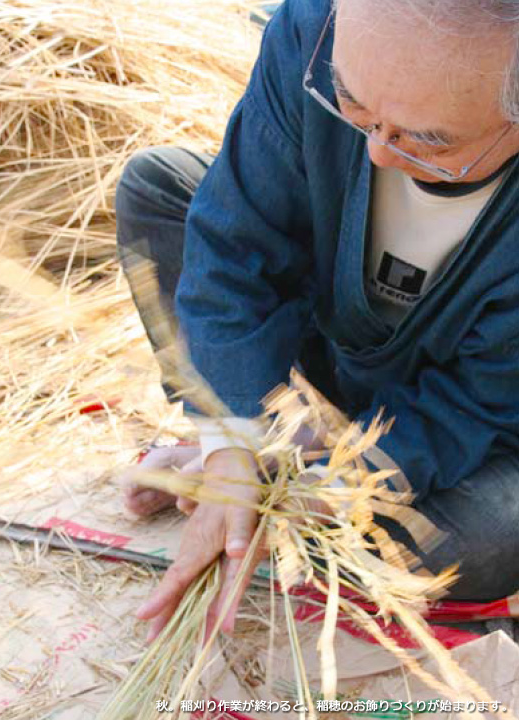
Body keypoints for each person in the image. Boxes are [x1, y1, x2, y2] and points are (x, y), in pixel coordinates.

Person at [116, 0, 519, 642]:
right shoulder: (313, 33)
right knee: (157, 186)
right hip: (329, 347)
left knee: (495, 534)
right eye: (351, 103)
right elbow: (238, 239)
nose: (379, 154)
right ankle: (260, 433)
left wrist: (339, 483)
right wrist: (230, 439)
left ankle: (286, 457)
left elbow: (484, 403)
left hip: (470, 426)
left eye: (431, 140)